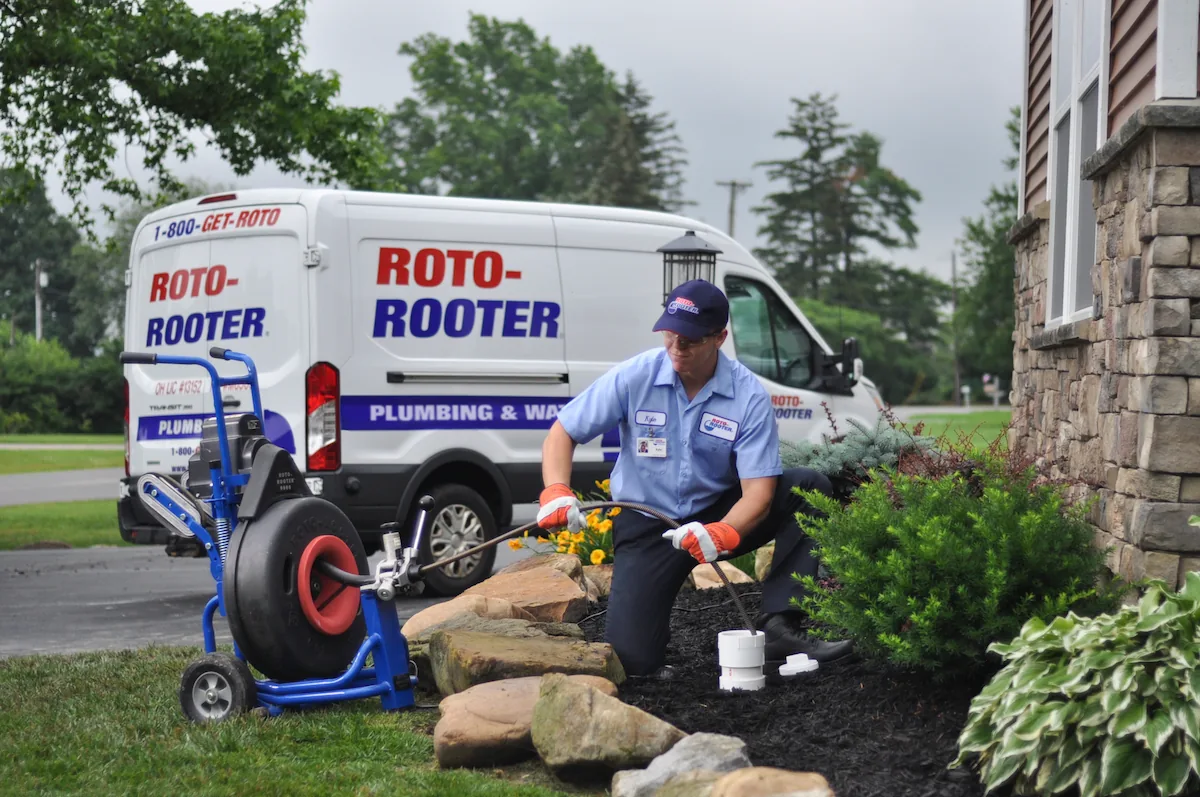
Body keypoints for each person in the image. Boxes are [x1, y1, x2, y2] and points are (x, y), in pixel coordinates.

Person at [536, 278, 855, 677]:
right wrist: (556, 491)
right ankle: (647, 637)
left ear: (719, 338)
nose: (676, 347)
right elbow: (562, 433)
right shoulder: (635, 377)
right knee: (633, 662)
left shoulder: (747, 396)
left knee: (808, 487)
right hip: (648, 524)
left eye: (689, 340)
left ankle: (780, 626)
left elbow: (759, 493)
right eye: (670, 335)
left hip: (720, 512)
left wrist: (721, 532)